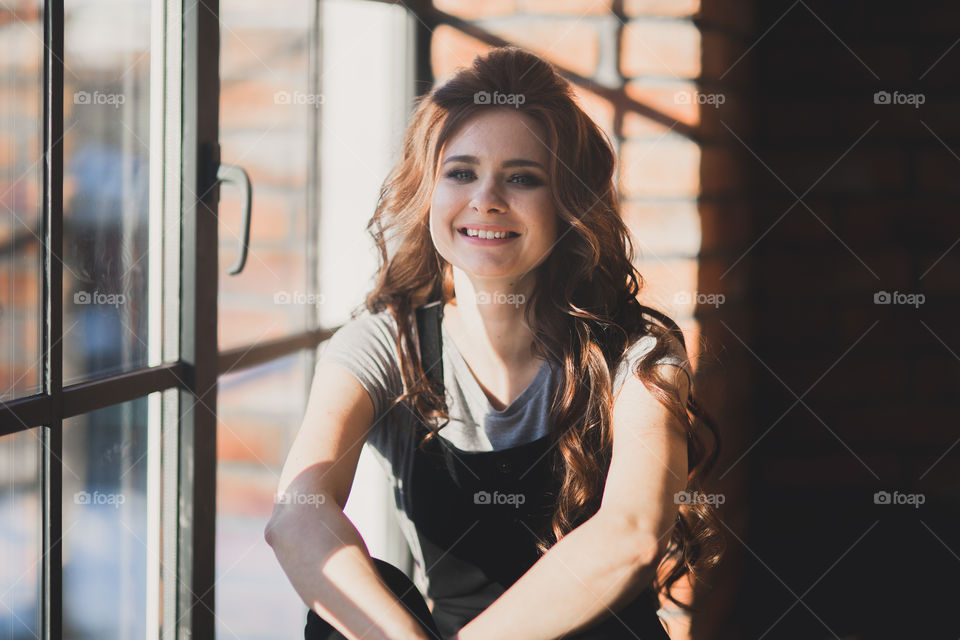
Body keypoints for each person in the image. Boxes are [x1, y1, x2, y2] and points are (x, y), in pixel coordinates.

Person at [266, 45, 724, 640]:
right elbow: (295, 515)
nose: (486, 198)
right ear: (428, 191)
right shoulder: (384, 344)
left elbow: (631, 534)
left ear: (566, 204)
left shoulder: (639, 356)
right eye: (461, 172)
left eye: (522, 178)